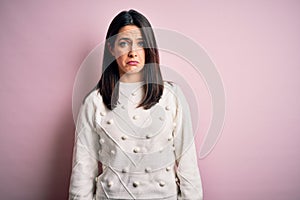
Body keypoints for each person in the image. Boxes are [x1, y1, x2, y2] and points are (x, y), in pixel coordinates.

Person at [69, 9, 203, 200]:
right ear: (111, 47)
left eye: (140, 43)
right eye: (124, 43)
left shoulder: (172, 97)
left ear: (149, 48)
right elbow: (82, 171)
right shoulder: (94, 102)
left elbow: (188, 165)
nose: (133, 52)